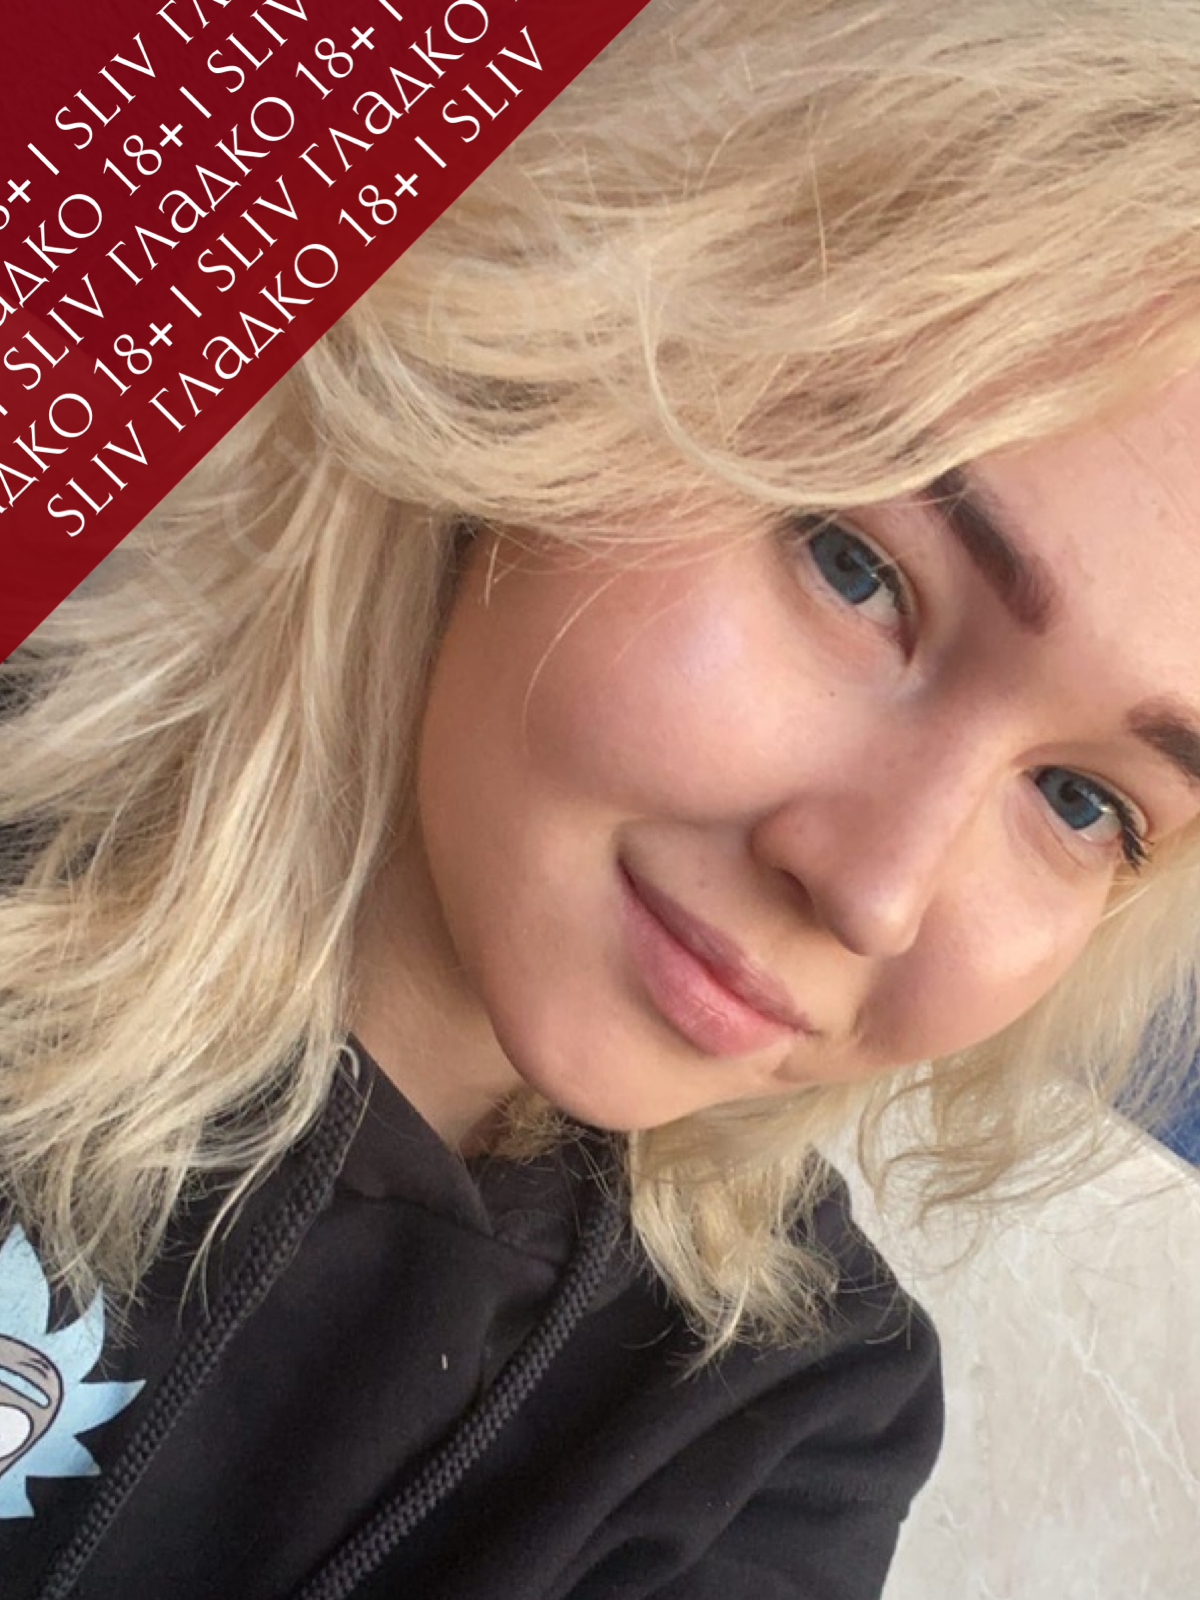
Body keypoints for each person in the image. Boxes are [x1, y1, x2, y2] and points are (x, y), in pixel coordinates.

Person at [3, 0, 1200, 1594]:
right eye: (856, 568)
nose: (877, 892)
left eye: (1082, 803)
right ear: (570, 331)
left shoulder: (774, 1431)